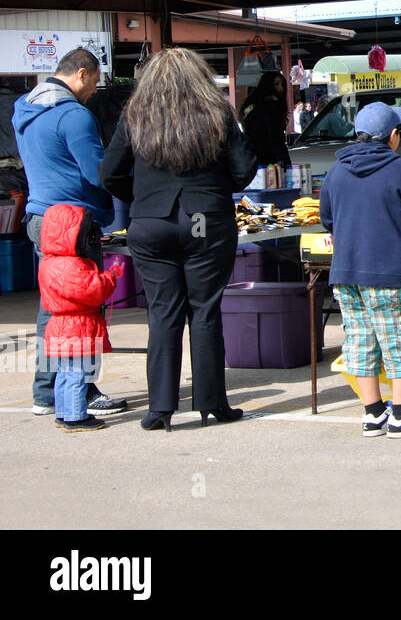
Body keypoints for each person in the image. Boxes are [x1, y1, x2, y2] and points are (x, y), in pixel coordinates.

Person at [99, 48, 259, 431]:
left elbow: (108, 172)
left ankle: (160, 409)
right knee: (204, 310)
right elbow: (244, 168)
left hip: (152, 222)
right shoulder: (216, 111)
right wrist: (218, 189)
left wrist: (141, 200)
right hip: (204, 218)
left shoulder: (136, 114)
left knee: (163, 313)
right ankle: (211, 403)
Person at [12, 47, 127, 418]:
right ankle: (83, 390)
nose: (94, 91)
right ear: (80, 73)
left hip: (39, 219)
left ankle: (46, 393)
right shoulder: (75, 116)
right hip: (73, 224)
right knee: (82, 308)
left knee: (55, 305)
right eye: (94, 82)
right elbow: (97, 171)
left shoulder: (24, 110)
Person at [320, 102, 401, 438]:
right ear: (392, 136)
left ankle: (373, 412)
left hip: (345, 270)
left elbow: (327, 220)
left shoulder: (336, 171)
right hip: (389, 269)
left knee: (359, 340)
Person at [38, 203, 124, 432]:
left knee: (65, 373)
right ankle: (76, 417)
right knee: (78, 373)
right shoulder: (72, 265)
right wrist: (111, 276)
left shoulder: (48, 261)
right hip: (78, 326)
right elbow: (92, 290)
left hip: (59, 324)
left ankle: (63, 413)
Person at [238, 71, 291, 167]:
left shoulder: (251, 104)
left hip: (251, 156)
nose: (281, 88)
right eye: (276, 84)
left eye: (282, 84)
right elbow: (274, 134)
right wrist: (281, 159)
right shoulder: (271, 105)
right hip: (270, 157)